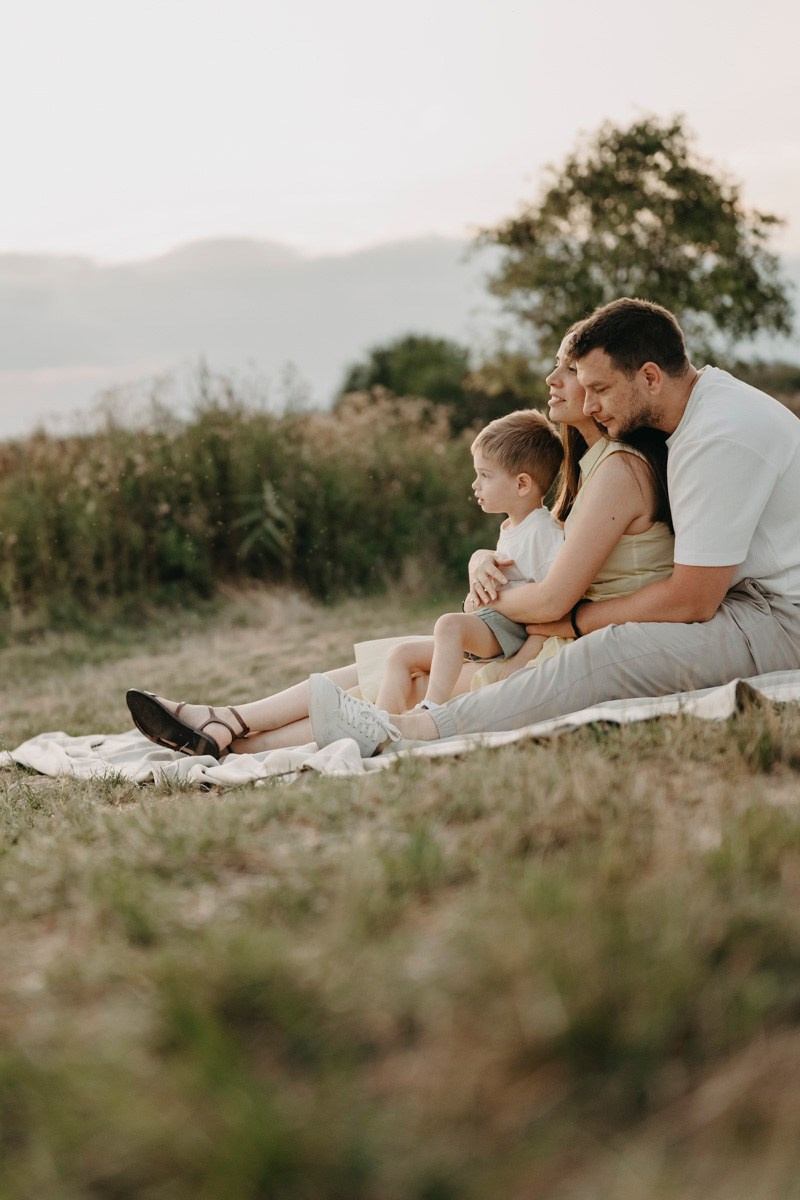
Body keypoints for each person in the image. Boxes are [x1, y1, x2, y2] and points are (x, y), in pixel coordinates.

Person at [124, 316, 674, 758]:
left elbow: (557, 597)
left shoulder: (618, 470)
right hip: (540, 632)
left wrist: (494, 600)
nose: (555, 380)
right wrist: (482, 559)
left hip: (557, 647)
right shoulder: (584, 469)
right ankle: (228, 729)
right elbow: (536, 547)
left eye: (572, 370)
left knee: (404, 673)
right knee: (394, 661)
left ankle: (233, 735)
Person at [303, 297, 800, 758]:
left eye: (602, 389)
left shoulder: (718, 438)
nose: (593, 403)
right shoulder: (697, 413)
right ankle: (261, 725)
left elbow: (693, 600)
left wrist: (577, 620)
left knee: (611, 650)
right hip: (748, 599)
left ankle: (412, 732)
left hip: (781, 618)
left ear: (650, 376)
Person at [373, 408, 564, 715]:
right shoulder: (512, 527)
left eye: (485, 476)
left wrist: (521, 659)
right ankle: (382, 723)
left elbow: (558, 604)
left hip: (512, 632)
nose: (475, 485)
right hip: (493, 626)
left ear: (522, 484)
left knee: (448, 625)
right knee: (400, 654)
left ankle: (430, 710)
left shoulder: (542, 531)